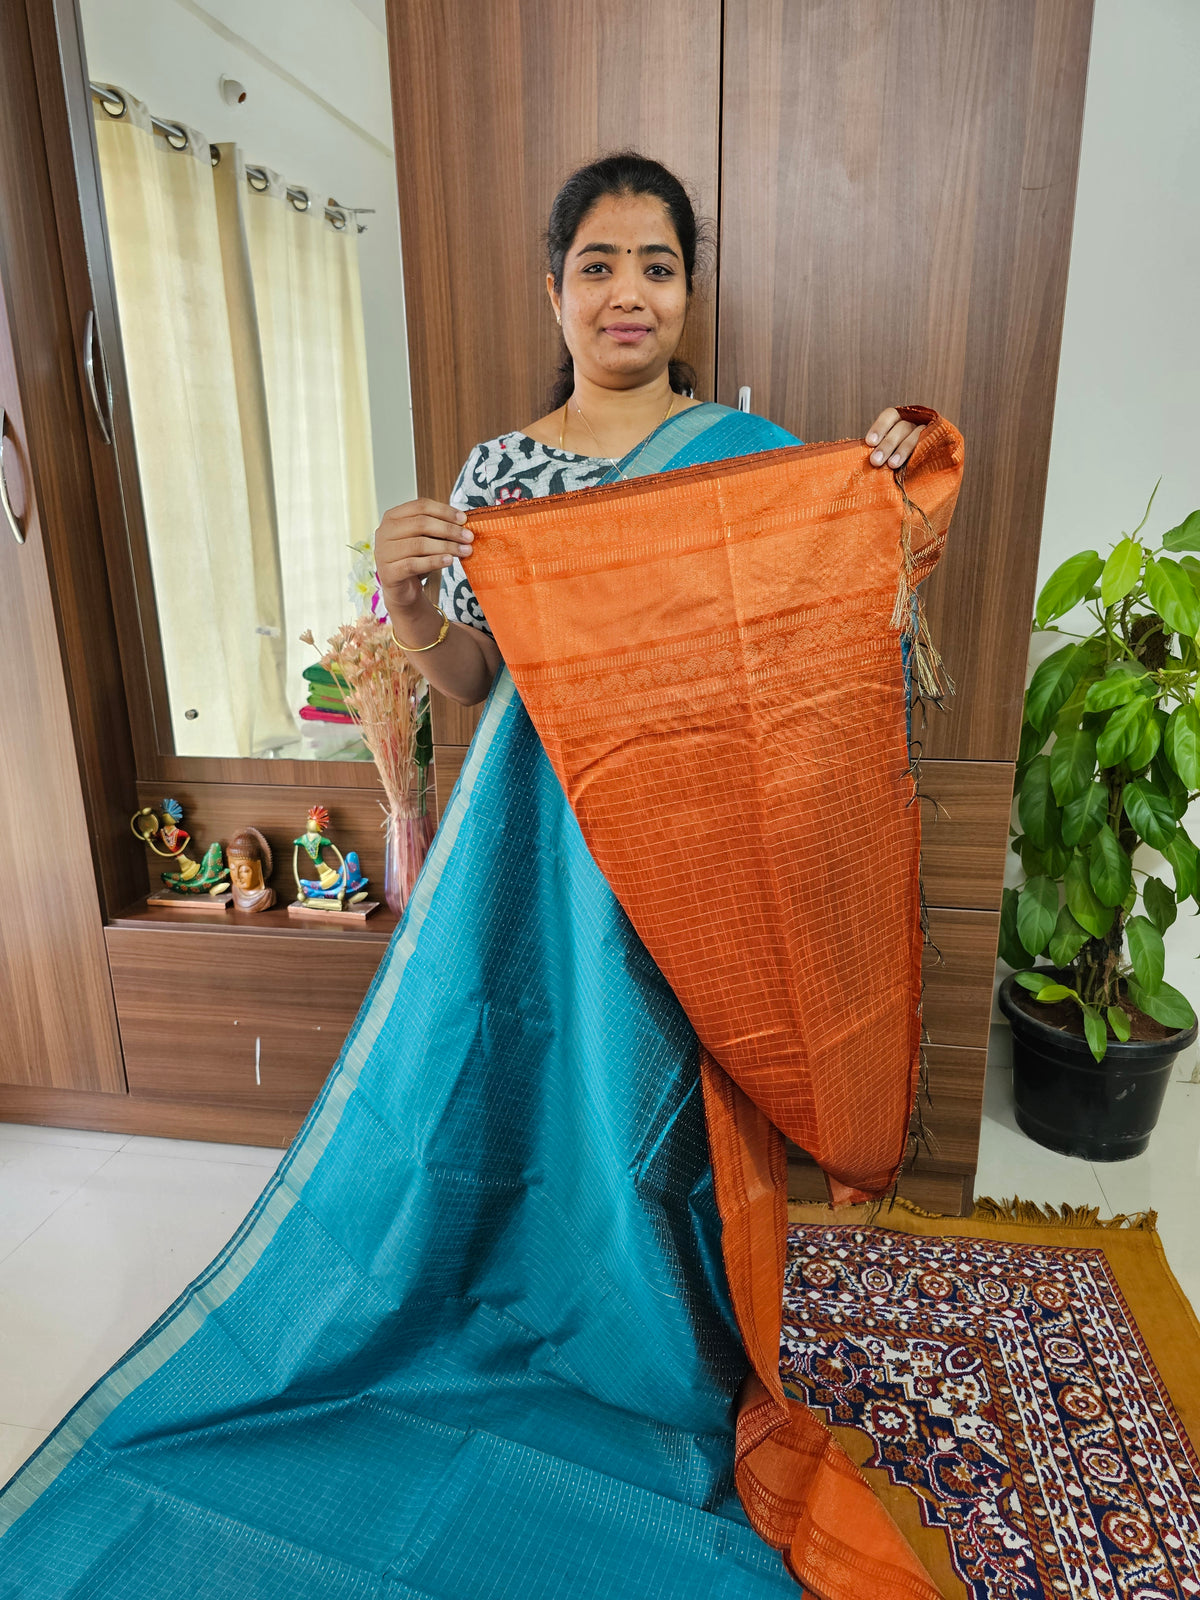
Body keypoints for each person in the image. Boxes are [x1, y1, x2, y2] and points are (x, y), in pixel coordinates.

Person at [375, 152, 925, 701]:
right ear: (555, 294)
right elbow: (476, 680)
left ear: (687, 292)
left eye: (658, 270)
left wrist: (886, 485)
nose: (629, 295)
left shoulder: (755, 457)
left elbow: (834, 627)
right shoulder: (498, 475)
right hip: (558, 787)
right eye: (597, 268)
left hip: (718, 779)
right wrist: (405, 604)